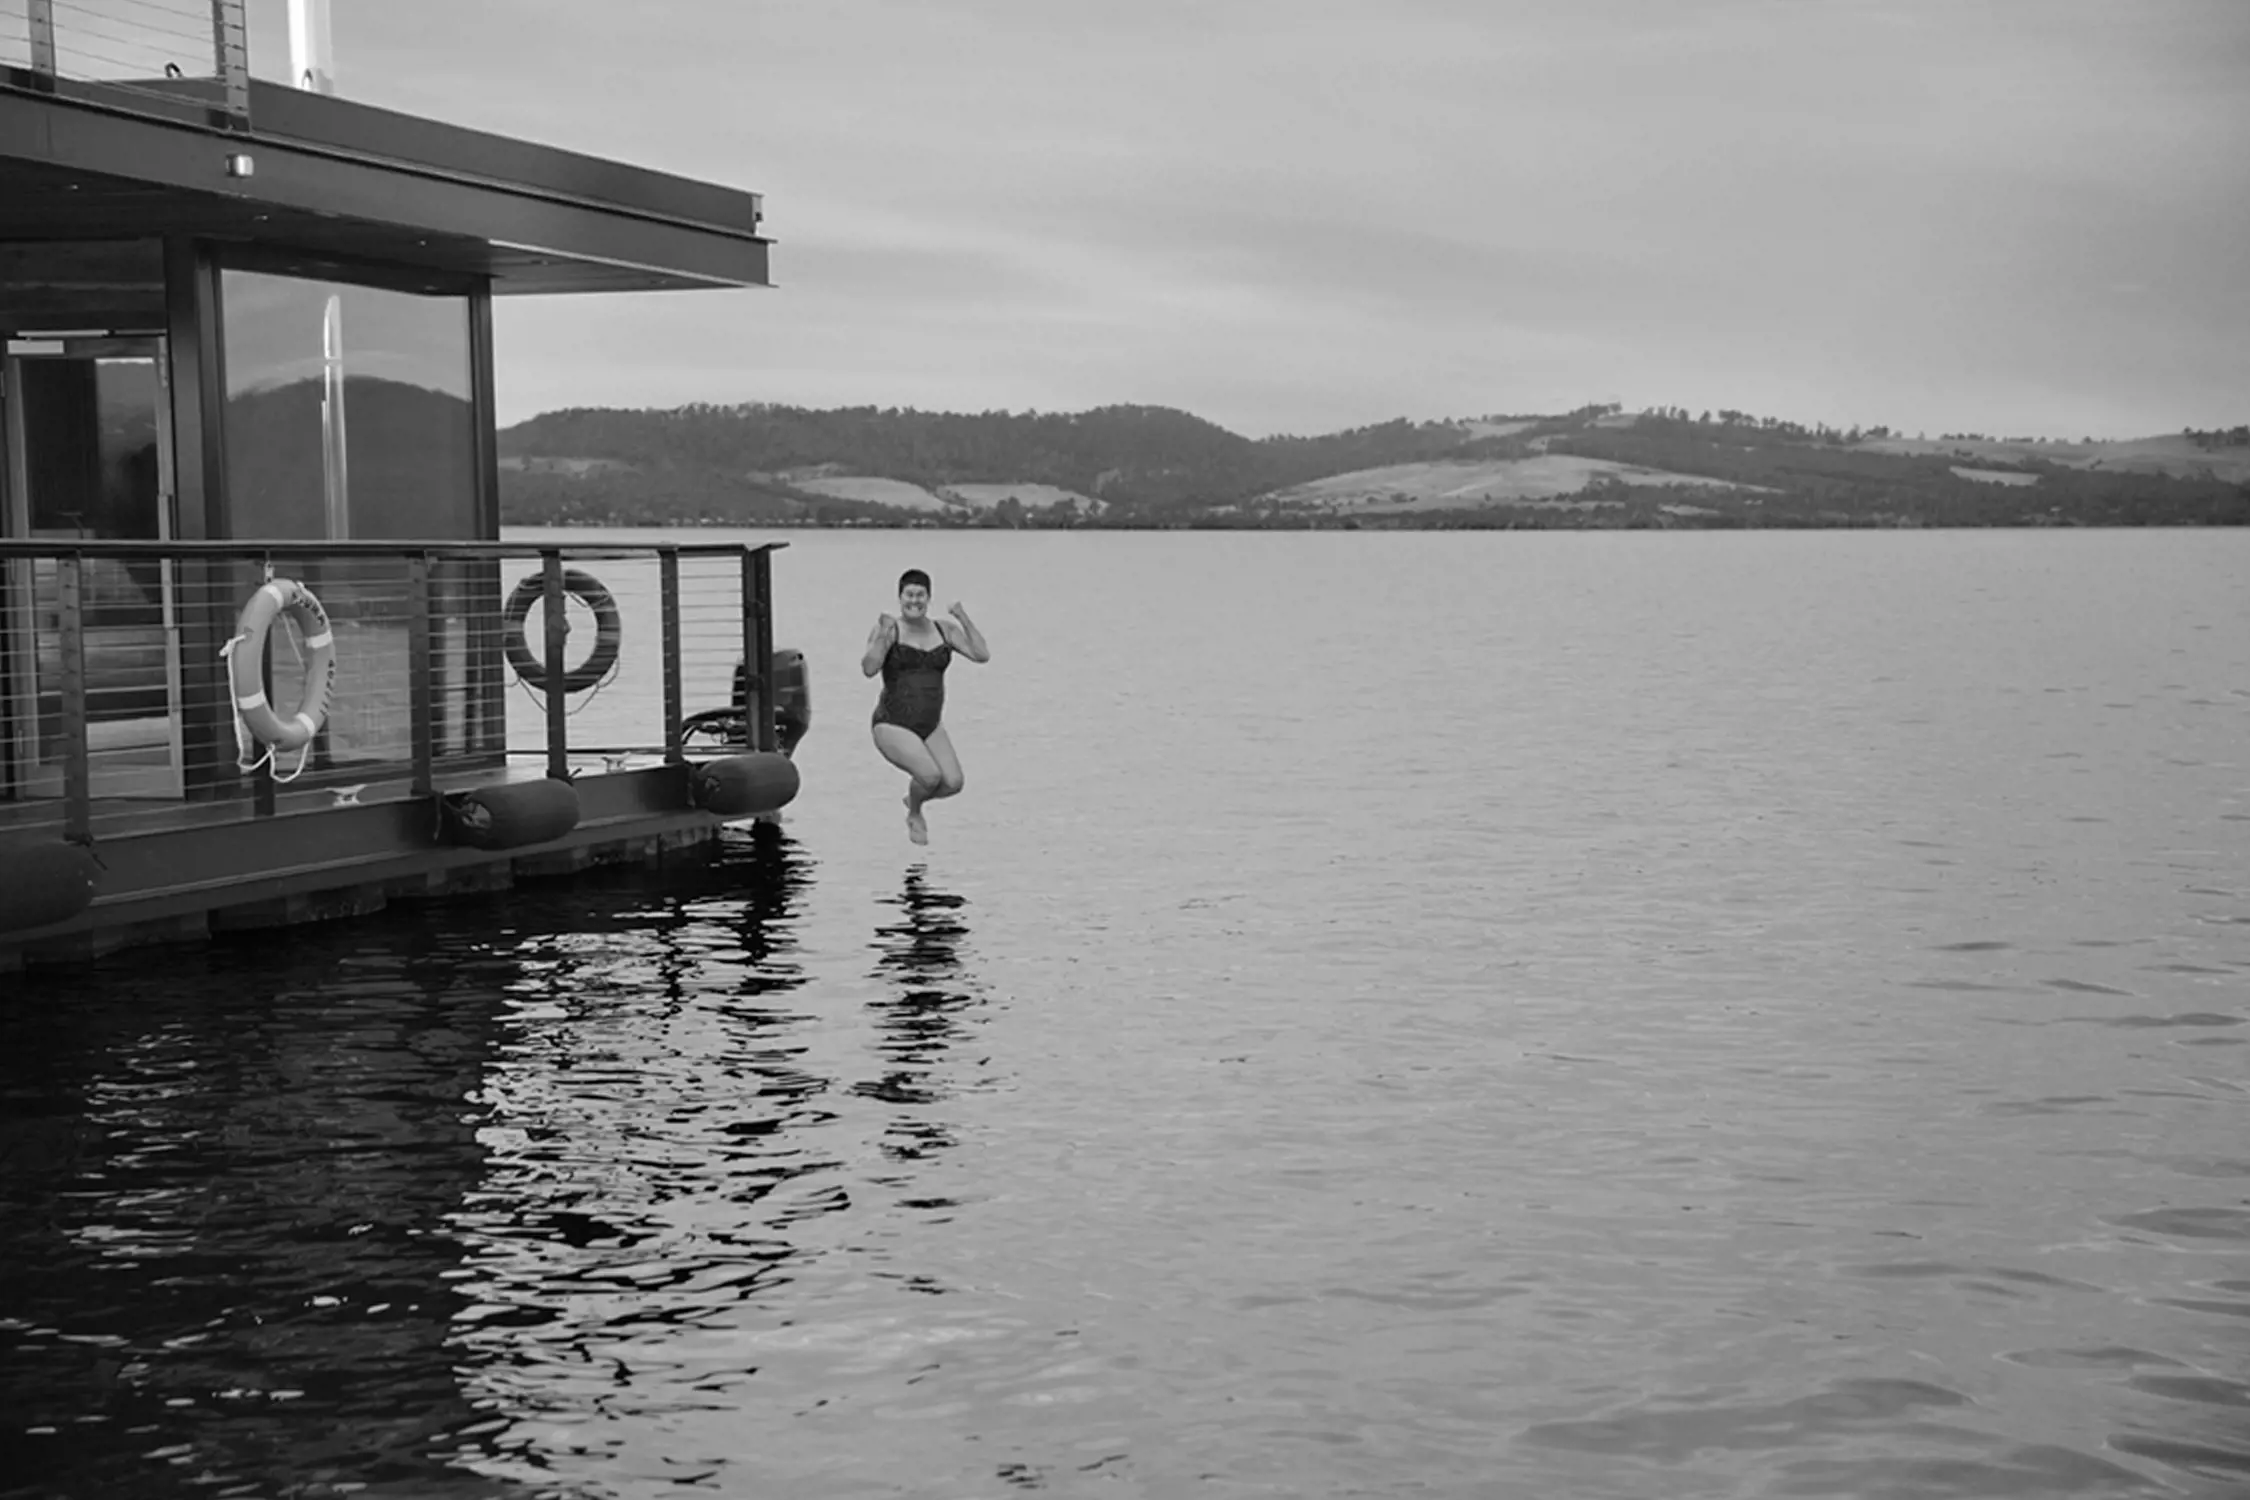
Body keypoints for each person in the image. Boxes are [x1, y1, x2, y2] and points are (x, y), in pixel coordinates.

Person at [864, 569, 989, 845]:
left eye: (921, 595)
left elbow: (982, 655)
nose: (915, 600)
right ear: (900, 597)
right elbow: (869, 668)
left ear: (928, 598)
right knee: (930, 775)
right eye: (909, 594)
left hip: (930, 724)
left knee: (953, 783)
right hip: (892, 722)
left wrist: (962, 616)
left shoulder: (944, 630)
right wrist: (883, 636)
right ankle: (915, 813)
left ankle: (913, 798)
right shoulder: (890, 629)